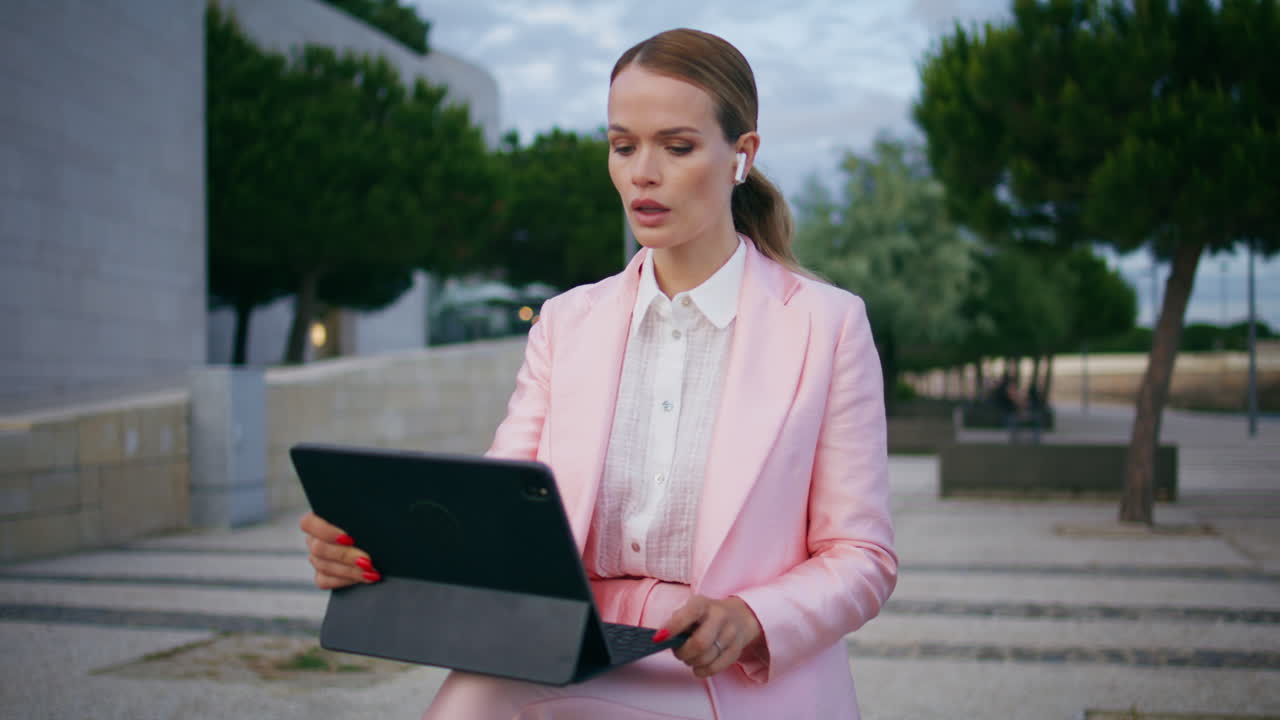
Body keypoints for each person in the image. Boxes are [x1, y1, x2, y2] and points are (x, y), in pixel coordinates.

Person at [300, 28, 897, 720]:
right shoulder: (565, 322)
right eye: (623, 146)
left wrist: (752, 616)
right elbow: (496, 515)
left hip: (731, 668)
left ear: (742, 155)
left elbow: (862, 555)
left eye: (676, 147)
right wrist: (378, 552)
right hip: (567, 647)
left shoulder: (827, 325)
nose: (643, 173)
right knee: (465, 708)